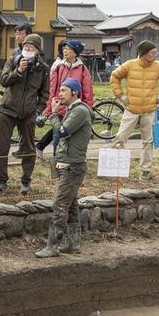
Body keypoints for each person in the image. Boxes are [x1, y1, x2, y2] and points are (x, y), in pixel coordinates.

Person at [35, 79, 92, 258]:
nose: (60, 94)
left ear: (74, 92)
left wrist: (53, 114)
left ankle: (53, 245)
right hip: (68, 163)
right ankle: (74, 244)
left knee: (60, 205)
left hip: (72, 166)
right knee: (72, 205)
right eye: (60, 90)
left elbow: (62, 133)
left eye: (64, 90)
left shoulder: (80, 111)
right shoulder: (72, 110)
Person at [110, 40, 159, 181]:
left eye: (155, 52)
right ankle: (115, 170)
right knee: (120, 138)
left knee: (148, 141)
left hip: (149, 109)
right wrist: (120, 95)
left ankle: (145, 171)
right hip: (131, 109)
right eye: (152, 52)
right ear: (143, 53)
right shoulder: (129, 65)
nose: (155, 55)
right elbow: (114, 76)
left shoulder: (158, 66)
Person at [0, 34, 50, 193]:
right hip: (8, 110)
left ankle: (26, 181)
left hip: (28, 113)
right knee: (2, 147)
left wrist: (37, 109)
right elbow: (4, 81)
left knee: (29, 148)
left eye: (31, 47)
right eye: (25, 46)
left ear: (37, 50)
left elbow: (45, 93)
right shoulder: (13, 61)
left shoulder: (43, 68)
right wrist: (18, 71)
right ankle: (2, 179)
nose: (27, 49)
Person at [36, 39, 93, 159]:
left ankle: (69, 162)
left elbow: (88, 92)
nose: (65, 51)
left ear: (75, 52)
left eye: (68, 49)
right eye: (64, 48)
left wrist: (88, 110)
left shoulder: (83, 69)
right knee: (58, 137)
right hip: (60, 108)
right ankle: (57, 164)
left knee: (72, 138)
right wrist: (48, 110)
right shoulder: (59, 67)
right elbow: (53, 90)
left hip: (75, 110)